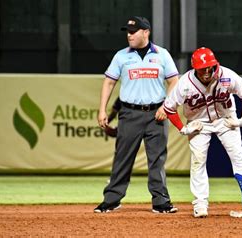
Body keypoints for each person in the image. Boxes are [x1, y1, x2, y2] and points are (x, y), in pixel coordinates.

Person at [95, 16, 179, 214]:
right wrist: (102, 110)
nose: (129, 35)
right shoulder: (121, 56)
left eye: (133, 31)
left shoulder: (162, 55)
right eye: (128, 31)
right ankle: (112, 200)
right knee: (122, 158)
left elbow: (175, 81)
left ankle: (161, 202)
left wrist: (166, 107)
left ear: (146, 32)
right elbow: (109, 82)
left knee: (157, 159)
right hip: (129, 113)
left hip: (156, 114)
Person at [163, 47, 242, 218]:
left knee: (237, 156)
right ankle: (200, 202)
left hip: (225, 119)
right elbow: (169, 108)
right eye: (203, 68)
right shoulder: (185, 83)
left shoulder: (227, 75)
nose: (207, 71)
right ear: (195, 68)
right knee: (198, 161)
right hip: (198, 123)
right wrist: (183, 128)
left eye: (209, 66)